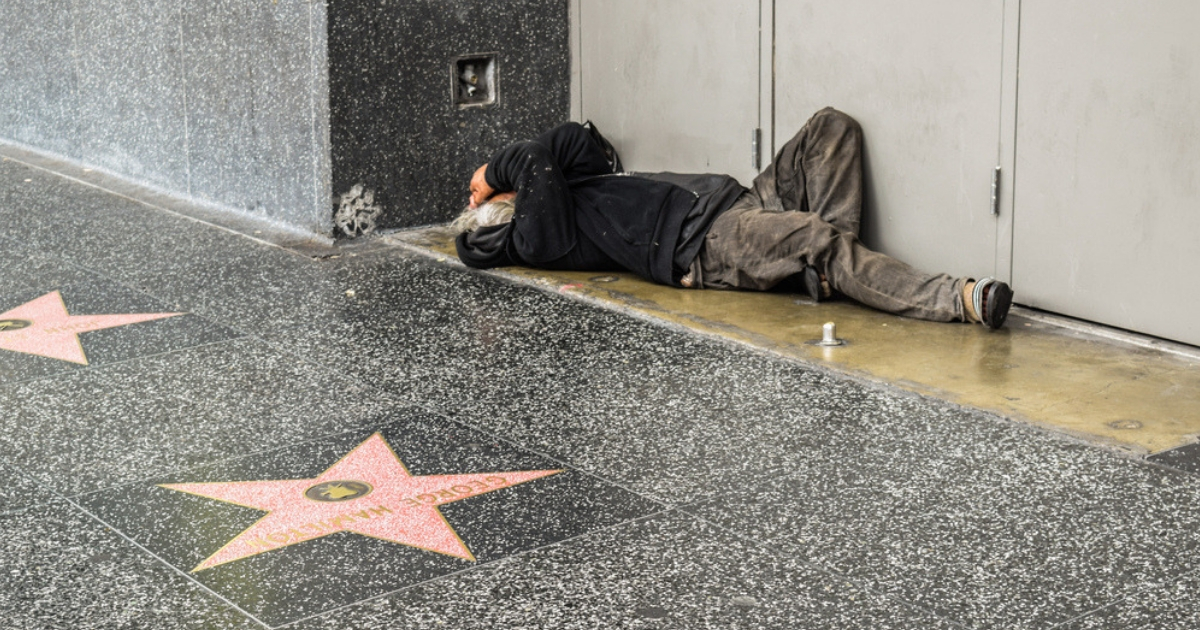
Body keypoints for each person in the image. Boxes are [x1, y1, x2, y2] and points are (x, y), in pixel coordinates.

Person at [453, 108, 1013, 328]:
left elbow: (576, 140)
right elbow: (534, 163)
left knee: (832, 128)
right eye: (496, 197)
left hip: (739, 199)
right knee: (816, 237)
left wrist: (504, 175)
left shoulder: (565, 185)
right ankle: (958, 298)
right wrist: (491, 170)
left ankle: (824, 270)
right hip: (709, 242)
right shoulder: (534, 238)